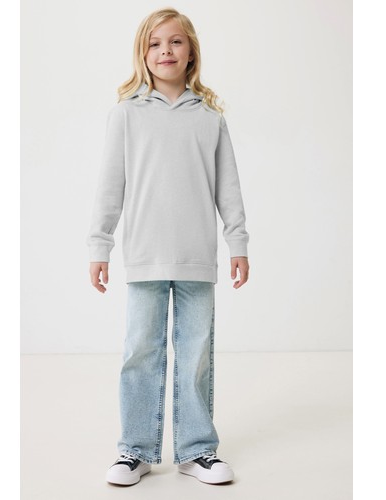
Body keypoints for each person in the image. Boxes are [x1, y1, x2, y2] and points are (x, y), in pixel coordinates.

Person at [87, 7, 250, 486]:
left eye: (176, 42)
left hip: (198, 255)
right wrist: (99, 246)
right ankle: (134, 450)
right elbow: (109, 187)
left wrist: (238, 242)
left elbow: (229, 188)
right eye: (155, 43)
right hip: (144, 255)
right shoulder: (126, 115)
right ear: (143, 53)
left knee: (196, 355)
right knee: (141, 351)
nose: (165, 51)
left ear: (191, 51)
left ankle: (197, 450)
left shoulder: (211, 119)